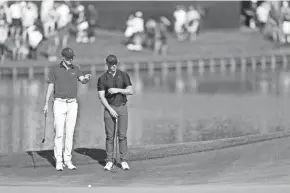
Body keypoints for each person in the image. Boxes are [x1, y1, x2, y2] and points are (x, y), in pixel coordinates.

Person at [43, 47, 91, 171]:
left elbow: (82, 80)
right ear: (63, 57)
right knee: (59, 133)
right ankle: (59, 161)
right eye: (68, 57)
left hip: (72, 104)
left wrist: (86, 78)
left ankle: (68, 160)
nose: (70, 59)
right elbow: (50, 86)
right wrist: (45, 103)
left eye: (72, 57)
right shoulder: (55, 69)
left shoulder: (76, 69)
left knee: (70, 133)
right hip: (59, 103)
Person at [97, 54, 134, 171]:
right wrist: (110, 109)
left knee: (122, 135)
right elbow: (101, 97)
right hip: (109, 108)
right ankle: (109, 161)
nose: (113, 66)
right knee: (109, 136)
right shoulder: (102, 78)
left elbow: (131, 91)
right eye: (111, 64)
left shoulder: (123, 75)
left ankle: (123, 160)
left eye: (115, 64)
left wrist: (117, 90)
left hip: (122, 107)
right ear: (107, 64)